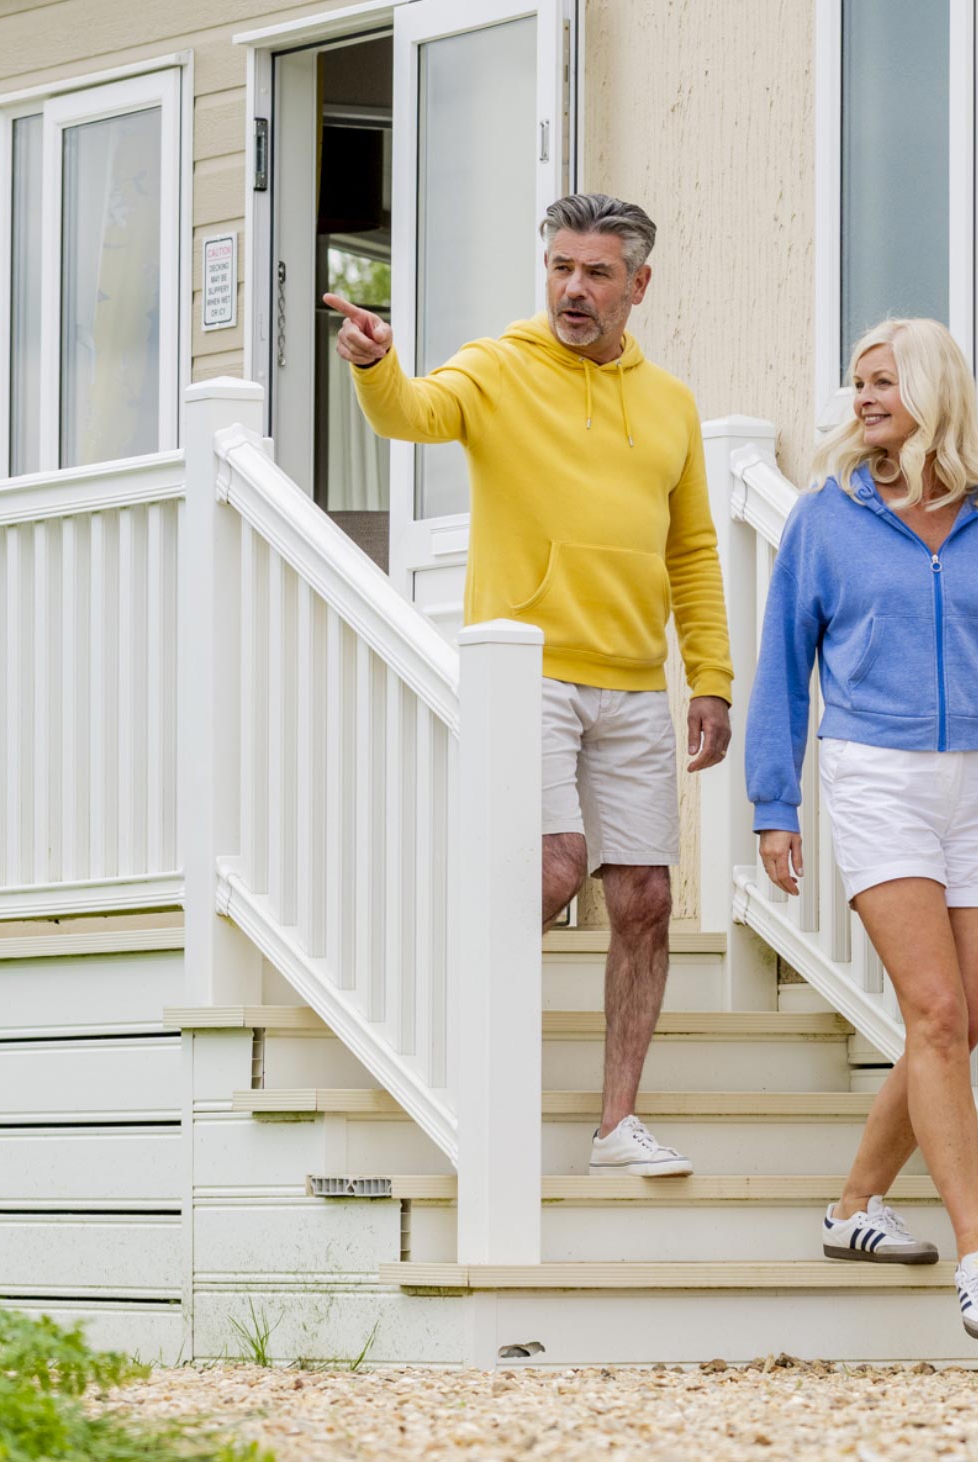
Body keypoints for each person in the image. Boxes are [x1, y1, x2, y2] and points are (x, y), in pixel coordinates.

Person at [325, 193, 732, 1177]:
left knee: (642, 897)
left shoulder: (671, 403)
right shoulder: (499, 366)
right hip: (529, 672)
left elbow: (693, 550)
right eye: (559, 267)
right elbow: (419, 416)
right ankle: (451, 1030)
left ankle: (616, 1126)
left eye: (596, 272)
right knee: (552, 867)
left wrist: (710, 675)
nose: (573, 289)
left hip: (634, 681)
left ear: (639, 284)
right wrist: (379, 365)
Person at [744, 318, 978, 1341]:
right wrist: (776, 801)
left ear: (934, 390)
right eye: (857, 382)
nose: (863, 397)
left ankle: (853, 1206)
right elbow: (782, 666)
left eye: (883, 379)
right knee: (934, 1012)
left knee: (957, 1026)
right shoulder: (827, 519)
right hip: (876, 773)